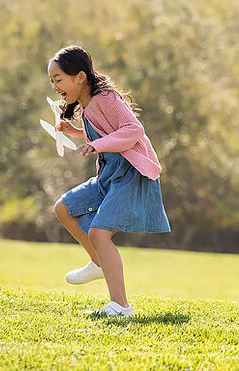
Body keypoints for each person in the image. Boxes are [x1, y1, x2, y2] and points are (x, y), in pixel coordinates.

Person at [48, 45, 170, 318]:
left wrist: (98, 144)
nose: (55, 86)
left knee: (98, 233)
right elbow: (104, 132)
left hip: (130, 175)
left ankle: (120, 306)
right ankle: (98, 262)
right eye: (52, 81)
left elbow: (133, 130)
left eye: (58, 79)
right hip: (109, 175)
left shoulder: (105, 98)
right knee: (63, 209)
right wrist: (77, 132)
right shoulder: (88, 105)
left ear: (80, 77)